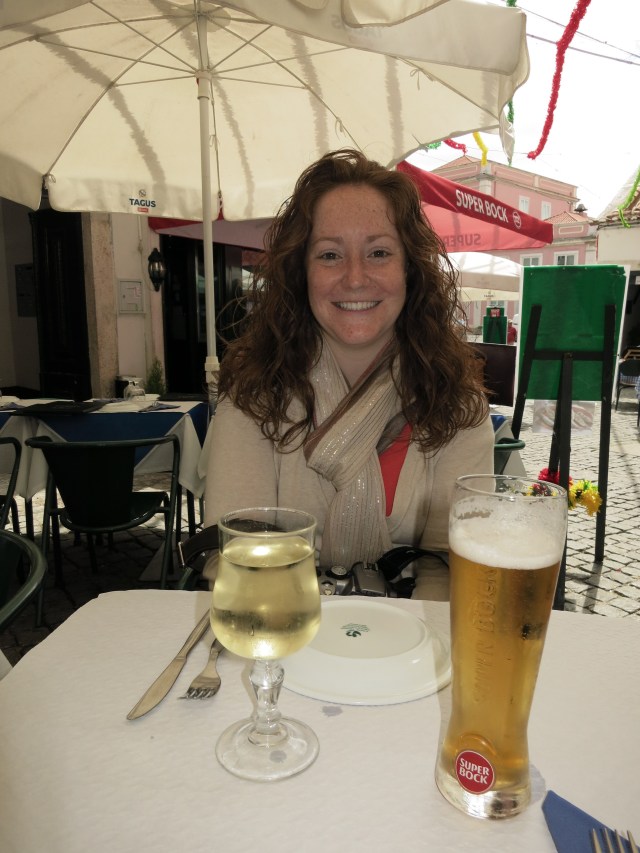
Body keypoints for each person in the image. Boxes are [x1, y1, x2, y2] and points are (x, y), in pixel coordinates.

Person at [204, 149, 494, 599]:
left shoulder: (457, 402)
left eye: (378, 252)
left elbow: (449, 566)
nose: (355, 278)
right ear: (301, 273)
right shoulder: (254, 396)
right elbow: (235, 555)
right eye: (330, 255)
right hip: (286, 633)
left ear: (410, 270)